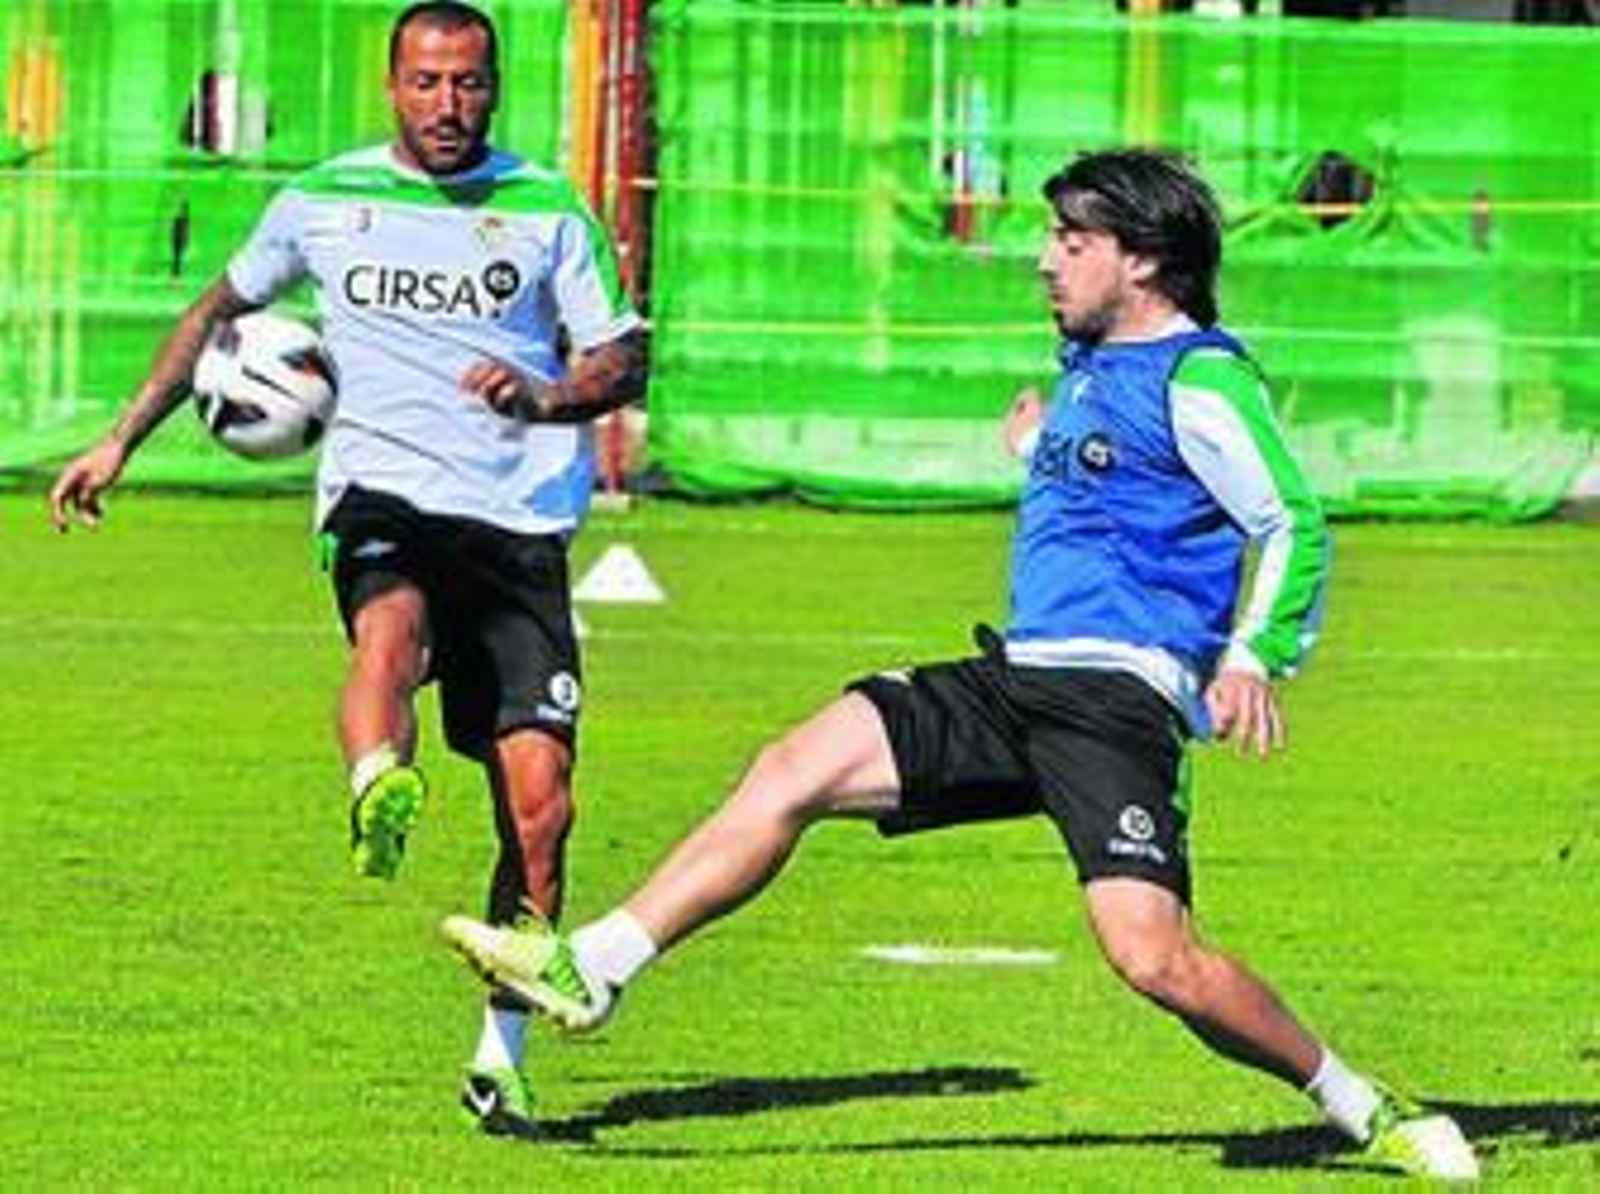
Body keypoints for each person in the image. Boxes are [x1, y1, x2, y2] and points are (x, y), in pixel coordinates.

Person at [439, 148, 1479, 1178]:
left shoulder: (1198, 376)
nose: (1044, 261)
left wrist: (1254, 654)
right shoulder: (1093, 372)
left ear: (1147, 263)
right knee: (791, 767)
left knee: (1154, 958)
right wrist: (1037, 450)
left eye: (1073, 242)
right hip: (1015, 677)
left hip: (1111, 705)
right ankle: (598, 966)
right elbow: (1119, 498)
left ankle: (1362, 1104)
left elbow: (1290, 519)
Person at [47, 0, 645, 1142]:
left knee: (541, 810)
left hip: (519, 530)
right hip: (383, 492)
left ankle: (498, 1062)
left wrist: (550, 396)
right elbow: (216, 309)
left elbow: (621, 356)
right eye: (426, 82)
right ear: (392, 86)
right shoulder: (323, 200)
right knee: (389, 633)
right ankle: (379, 776)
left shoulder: (545, 208)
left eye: (468, 83)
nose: (448, 106)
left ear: (496, 84)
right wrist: (119, 438)